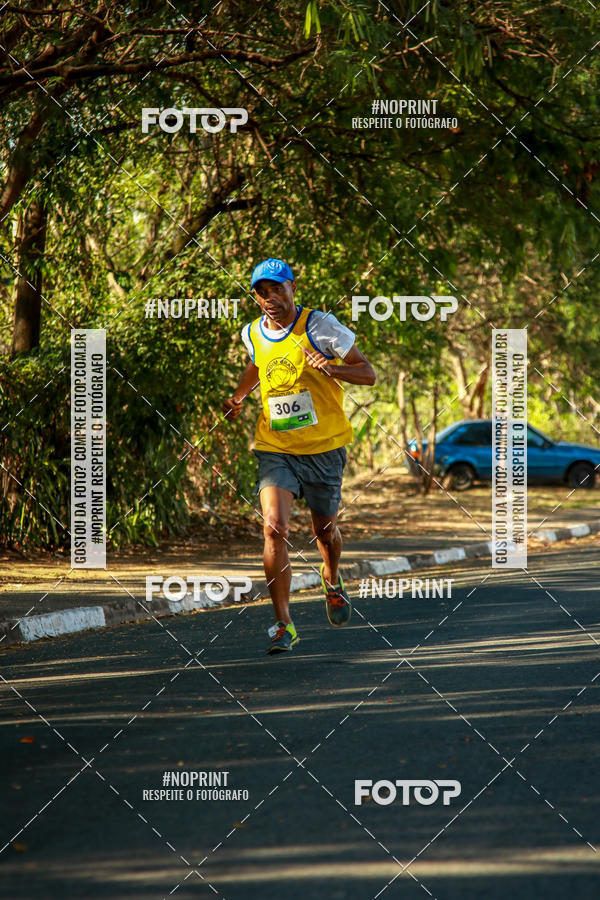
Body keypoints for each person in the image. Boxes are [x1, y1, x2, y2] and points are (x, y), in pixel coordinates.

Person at [222, 258, 376, 654]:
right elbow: (258, 364)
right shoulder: (253, 332)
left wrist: (332, 368)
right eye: (261, 292)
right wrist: (240, 398)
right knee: (274, 526)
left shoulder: (321, 326)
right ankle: (283, 623)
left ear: (292, 287)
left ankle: (332, 577)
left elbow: (367, 372)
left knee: (324, 530)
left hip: (325, 448)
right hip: (276, 446)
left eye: (276, 289)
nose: (269, 297)